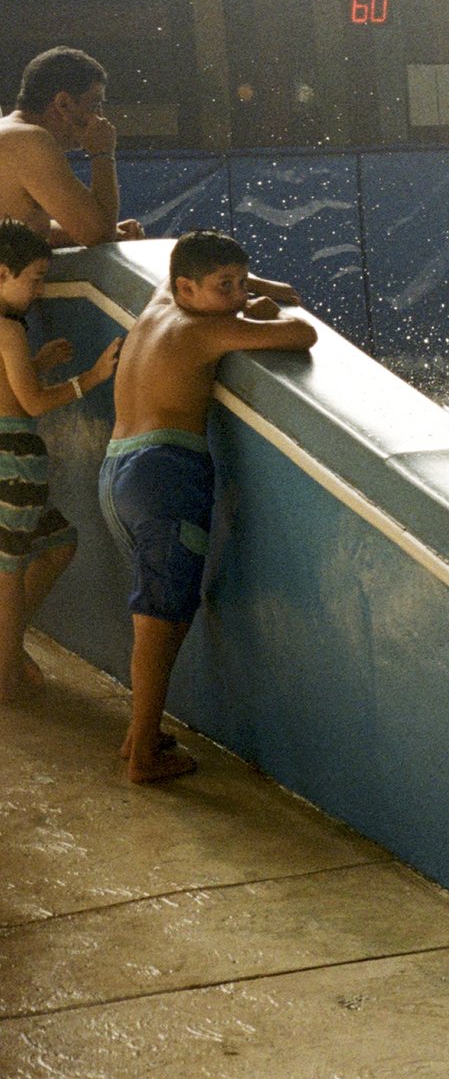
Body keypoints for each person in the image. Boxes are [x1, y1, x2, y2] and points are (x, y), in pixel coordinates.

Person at [101, 230, 316, 784]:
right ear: (187, 288)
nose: (238, 296)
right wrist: (259, 309)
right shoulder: (205, 328)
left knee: (164, 607)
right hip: (166, 476)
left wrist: (245, 291)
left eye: (241, 283)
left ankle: (138, 735)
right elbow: (302, 333)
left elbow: (212, 286)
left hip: (121, 469)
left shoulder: (159, 305)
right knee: (159, 616)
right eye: (226, 286)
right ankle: (144, 756)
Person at [0, 221, 120, 700]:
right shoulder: (8, 330)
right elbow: (29, 405)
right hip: (12, 459)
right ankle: (4, 675)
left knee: (59, 542)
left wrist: (38, 364)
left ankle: (6, 651)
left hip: (10, 459)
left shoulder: (9, 332)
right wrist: (90, 378)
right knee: (8, 572)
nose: (40, 288)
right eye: (33, 278)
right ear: (1, 272)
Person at [1, 47, 146, 247]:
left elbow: (24, 230)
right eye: (95, 106)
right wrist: (102, 153)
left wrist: (105, 229)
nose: (100, 118)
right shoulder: (28, 140)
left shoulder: (10, 134)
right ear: (63, 104)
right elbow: (100, 237)